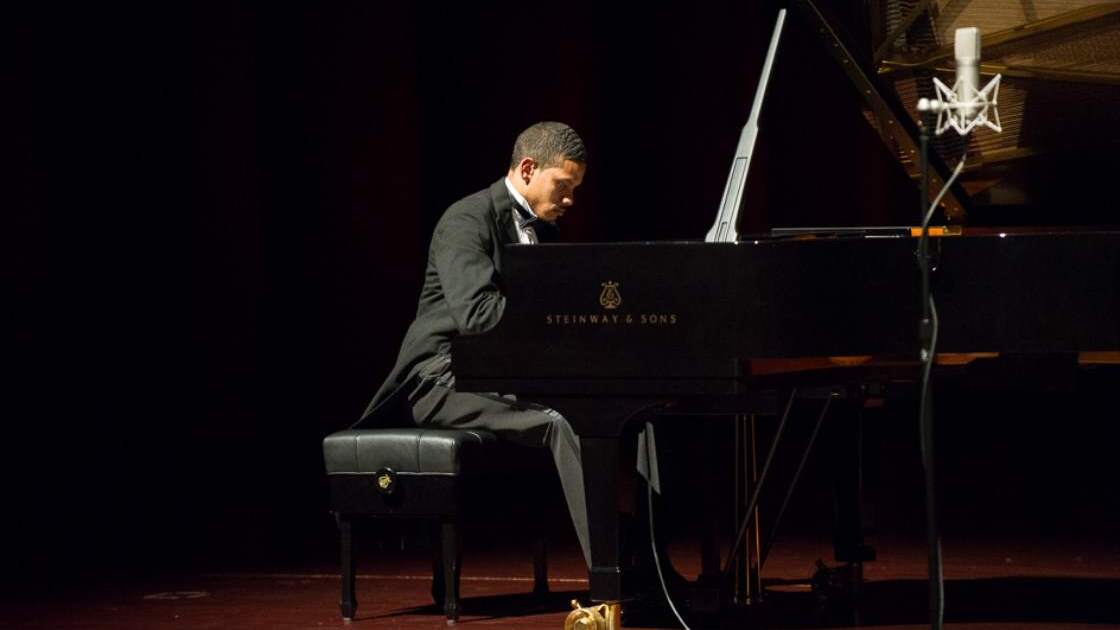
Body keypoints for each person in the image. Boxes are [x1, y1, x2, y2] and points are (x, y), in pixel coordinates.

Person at [357, 121, 592, 566]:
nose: (569, 200)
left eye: (575, 188)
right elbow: (478, 316)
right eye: (563, 185)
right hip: (441, 377)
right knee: (562, 420)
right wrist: (552, 325)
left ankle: (647, 558)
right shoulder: (467, 219)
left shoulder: (546, 230)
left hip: (497, 374)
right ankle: (609, 572)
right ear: (527, 168)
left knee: (626, 409)